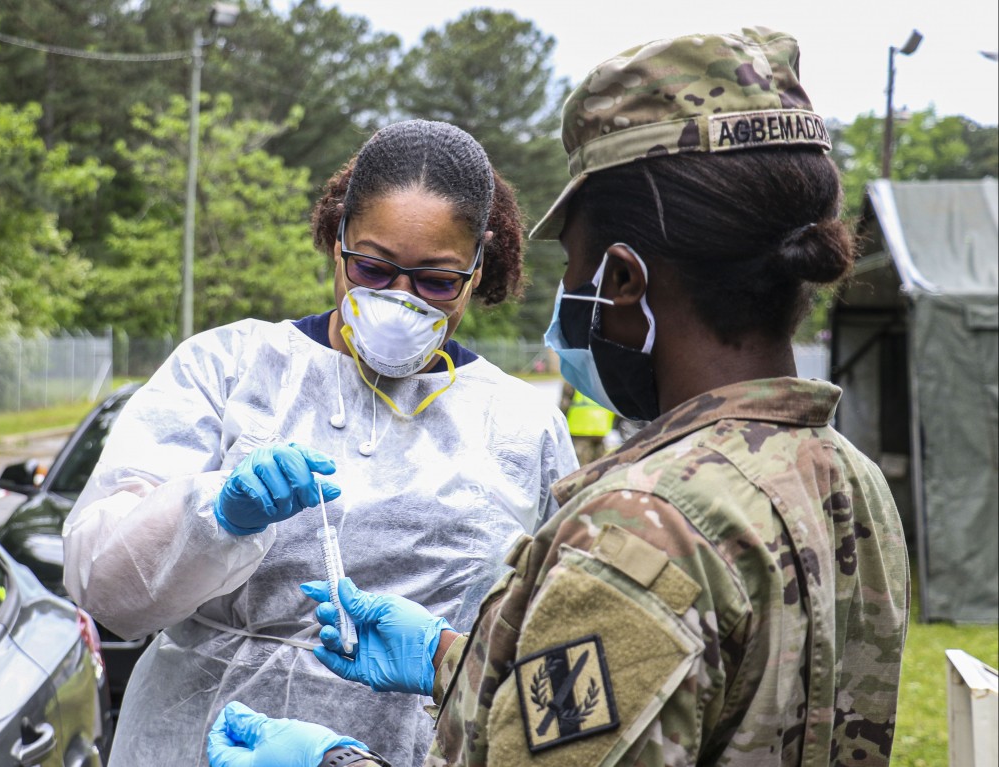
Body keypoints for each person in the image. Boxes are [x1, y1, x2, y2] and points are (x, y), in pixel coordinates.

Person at [207, 28, 909, 767]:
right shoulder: (847, 482)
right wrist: (449, 658)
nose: (567, 291)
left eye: (573, 263)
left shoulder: (643, 530)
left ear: (623, 280)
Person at [62, 119, 578, 766]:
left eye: (436, 281)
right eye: (373, 268)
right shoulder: (229, 368)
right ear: (338, 242)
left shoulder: (522, 427)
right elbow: (105, 589)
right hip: (203, 743)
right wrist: (213, 515)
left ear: (477, 270)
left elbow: (562, 654)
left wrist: (445, 658)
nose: (399, 301)